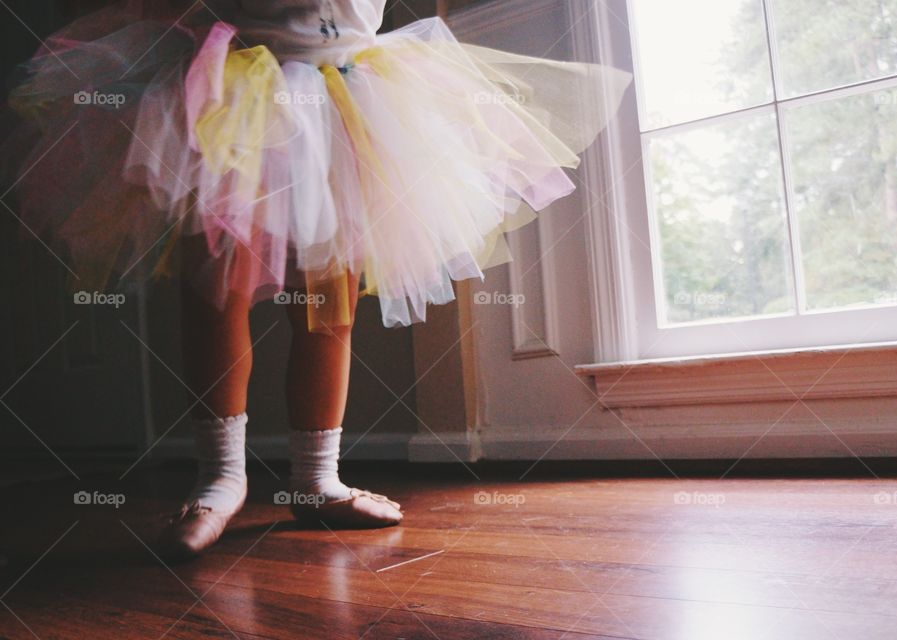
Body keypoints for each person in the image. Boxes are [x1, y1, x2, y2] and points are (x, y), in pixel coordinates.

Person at [3, 0, 632, 559]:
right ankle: (220, 477)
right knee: (217, 290)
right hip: (243, 94)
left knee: (329, 303)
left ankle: (315, 479)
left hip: (353, 95)